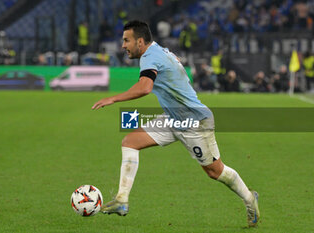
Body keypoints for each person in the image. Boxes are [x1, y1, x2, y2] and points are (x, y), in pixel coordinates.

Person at [92, 20, 260, 227]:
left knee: (215, 171)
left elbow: (145, 87)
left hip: (194, 122)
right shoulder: (159, 51)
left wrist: (113, 98)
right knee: (130, 142)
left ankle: (250, 198)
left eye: (127, 40)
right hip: (173, 118)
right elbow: (173, 63)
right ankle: (122, 200)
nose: (123, 45)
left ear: (140, 41)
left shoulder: (150, 57)